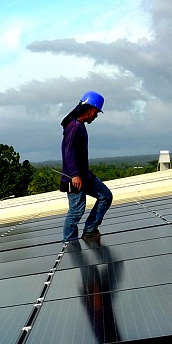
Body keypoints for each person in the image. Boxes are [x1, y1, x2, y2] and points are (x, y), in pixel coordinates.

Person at [60, 90, 113, 241]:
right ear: (89, 109)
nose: (96, 116)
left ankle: (90, 229)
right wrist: (75, 175)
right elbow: (69, 152)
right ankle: (69, 243)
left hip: (84, 175)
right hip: (74, 177)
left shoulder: (80, 126)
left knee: (105, 196)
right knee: (76, 211)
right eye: (96, 112)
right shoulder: (74, 126)